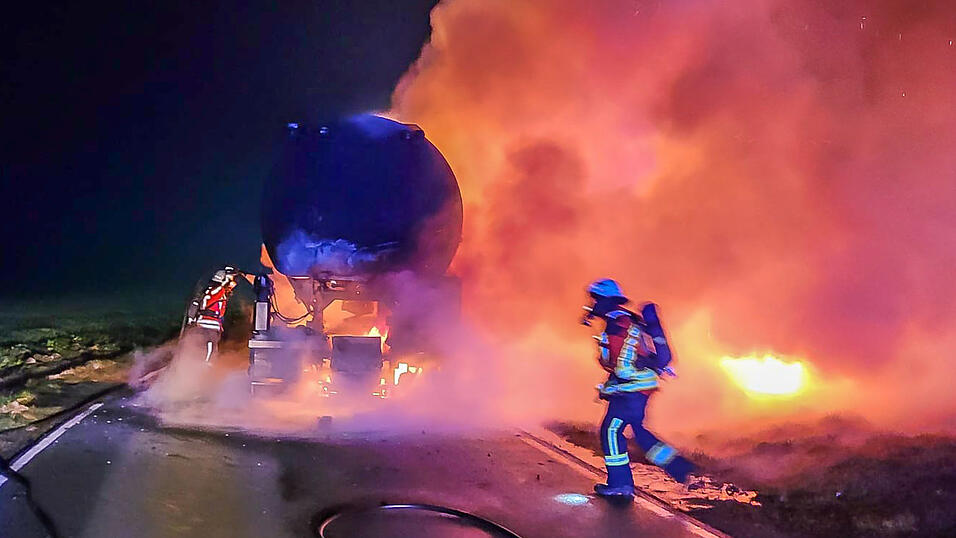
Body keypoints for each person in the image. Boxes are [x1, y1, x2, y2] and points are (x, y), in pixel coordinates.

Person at [584, 279, 695, 498]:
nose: (593, 304)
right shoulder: (629, 320)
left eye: (596, 300)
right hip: (641, 388)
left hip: (631, 390)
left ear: (606, 301)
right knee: (639, 432)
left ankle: (620, 485)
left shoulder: (617, 325)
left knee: (611, 430)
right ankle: (680, 468)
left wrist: (610, 388)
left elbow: (621, 367)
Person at [185, 267, 239, 363]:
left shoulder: (214, 290)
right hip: (209, 325)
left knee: (207, 349)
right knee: (209, 351)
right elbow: (206, 303)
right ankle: (205, 368)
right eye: (231, 279)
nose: (233, 283)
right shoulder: (217, 290)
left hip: (208, 324)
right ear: (224, 279)